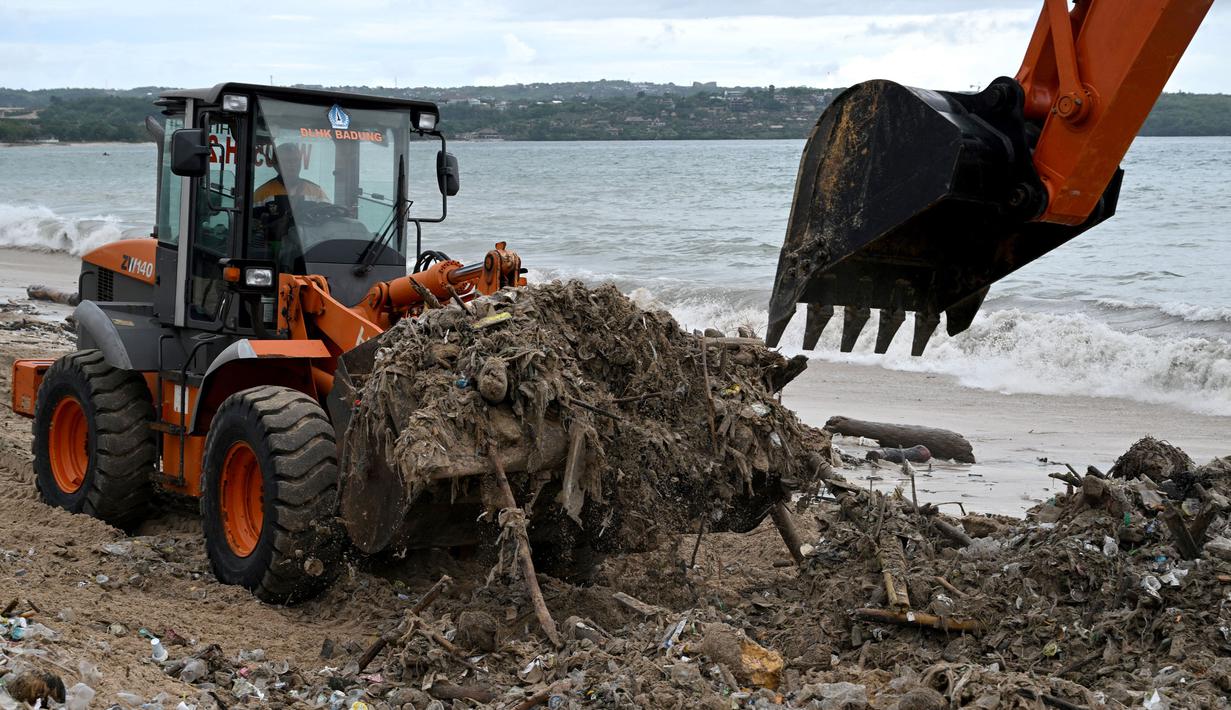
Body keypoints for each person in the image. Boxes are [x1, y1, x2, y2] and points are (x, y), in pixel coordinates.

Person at [254, 143, 328, 204]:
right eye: (287, 161)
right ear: (277, 165)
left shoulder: (316, 192)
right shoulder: (262, 194)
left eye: (296, 160)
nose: (293, 165)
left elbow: (331, 217)